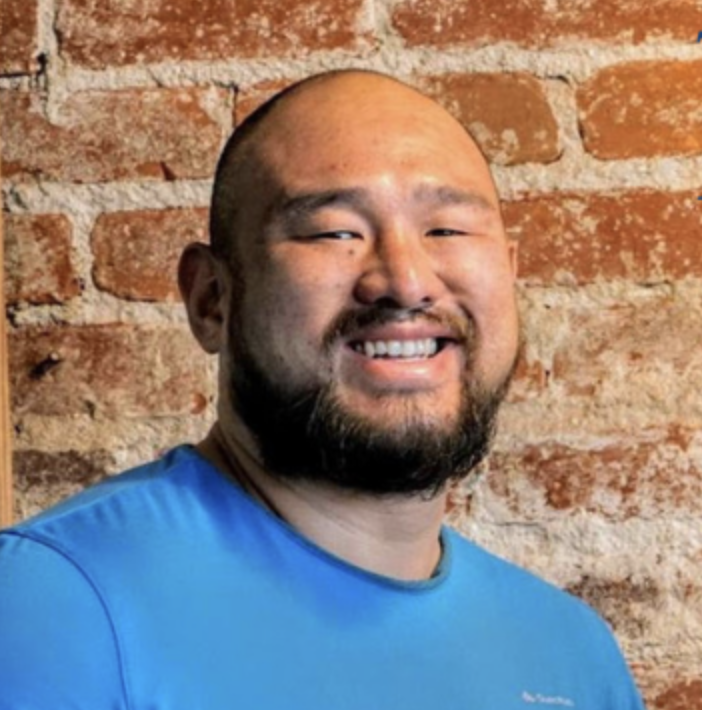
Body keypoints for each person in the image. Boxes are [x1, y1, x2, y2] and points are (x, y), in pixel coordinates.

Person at [0, 70, 645, 709]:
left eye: (446, 229)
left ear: (508, 276)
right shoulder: (50, 606)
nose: (407, 280)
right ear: (211, 301)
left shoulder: (572, 654)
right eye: (335, 231)